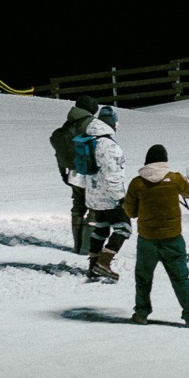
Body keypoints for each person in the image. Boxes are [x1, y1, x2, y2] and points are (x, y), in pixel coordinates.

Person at [122, 144, 189, 326]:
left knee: (143, 278)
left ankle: (141, 313)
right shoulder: (174, 178)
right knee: (180, 278)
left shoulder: (137, 183)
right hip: (172, 238)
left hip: (147, 240)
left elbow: (130, 212)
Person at [84, 106, 131, 281]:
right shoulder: (110, 146)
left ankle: (92, 266)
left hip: (94, 195)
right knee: (124, 228)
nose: (117, 126)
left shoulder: (92, 140)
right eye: (116, 123)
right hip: (109, 197)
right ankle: (103, 263)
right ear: (111, 124)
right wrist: (120, 197)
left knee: (101, 228)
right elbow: (113, 175)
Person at [48, 94, 100, 254]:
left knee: (78, 206)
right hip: (90, 171)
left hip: (73, 172)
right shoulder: (90, 123)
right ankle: (86, 248)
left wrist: (63, 173)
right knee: (94, 207)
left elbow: (59, 152)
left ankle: (78, 246)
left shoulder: (69, 122)